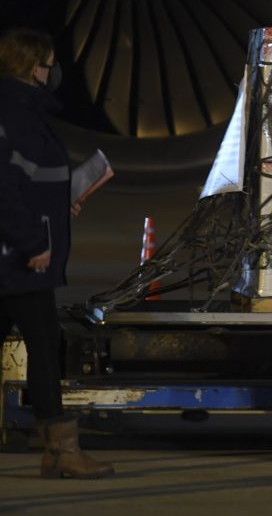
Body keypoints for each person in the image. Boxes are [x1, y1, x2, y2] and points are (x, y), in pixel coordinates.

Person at [0, 27, 113, 479]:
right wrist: (32, 244)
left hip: (21, 249)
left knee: (45, 343)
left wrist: (62, 199)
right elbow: (4, 188)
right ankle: (61, 452)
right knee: (45, 346)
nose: (53, 71)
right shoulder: (14, 112)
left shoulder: (25, 110)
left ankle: (58, 451)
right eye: (48, 62)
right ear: (32, 67)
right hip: (18, 256)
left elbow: (29, 178)